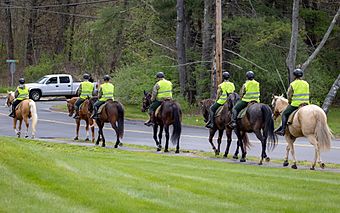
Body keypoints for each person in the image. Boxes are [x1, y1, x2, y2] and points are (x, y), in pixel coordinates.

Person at [275, 68, 310, 136]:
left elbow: (289, 95)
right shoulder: (306, 83)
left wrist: (290, 101)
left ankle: (282, 130)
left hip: (296, 104)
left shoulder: (293, 84)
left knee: (285, 114)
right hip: (306, 104)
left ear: (294, 76)